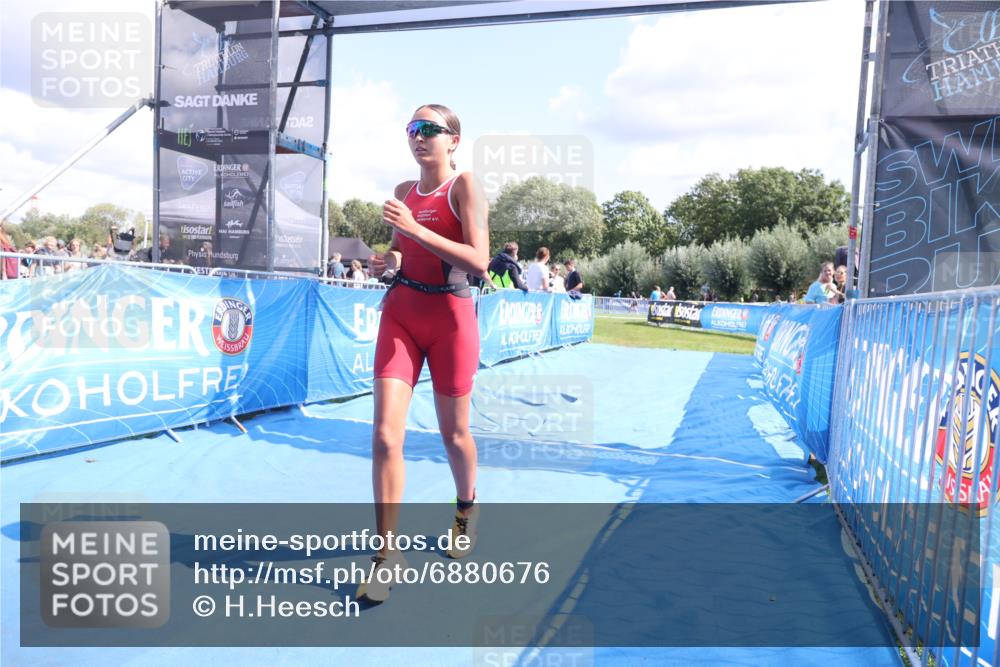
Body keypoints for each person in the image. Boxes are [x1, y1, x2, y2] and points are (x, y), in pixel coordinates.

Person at [360, 104, 488, 603]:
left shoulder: (464, 187)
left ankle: (465, 507)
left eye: (430, 129)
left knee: (454, 434)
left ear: (454, 139)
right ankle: (386, 554)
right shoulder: (402, 193)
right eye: (413, 129)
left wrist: (415, 230)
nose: (419, 136)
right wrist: (385, 260)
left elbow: (479, 262)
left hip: (452, 321)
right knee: (385, 437)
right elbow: (400, 251)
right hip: (402, 313)